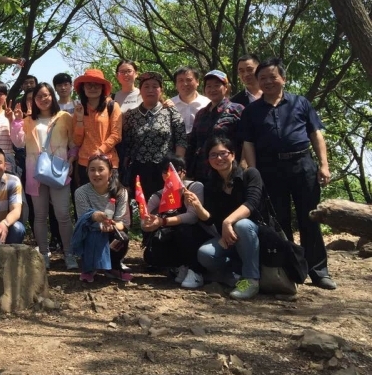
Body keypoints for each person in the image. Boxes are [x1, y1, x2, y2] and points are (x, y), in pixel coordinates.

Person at [240, 57, 336, 290]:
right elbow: (248, 143)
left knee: (310, 217)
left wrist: (324, 165)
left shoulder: (300, 103)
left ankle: (318, 272)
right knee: (279, 221)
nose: (268, 81)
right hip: (270, 169)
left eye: (272, 77)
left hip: (302, 164)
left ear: (283, 78)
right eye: (262, 78)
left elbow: (315, 134)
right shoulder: (251, 111)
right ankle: (291, 270)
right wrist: (254, 172)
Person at [186, 137, 263, 300]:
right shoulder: (211, 184)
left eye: (223, 153)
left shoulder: (250, 174)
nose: (219, 158)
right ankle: (237, 279)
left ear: (233, 155)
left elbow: (251, 204)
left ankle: (251, 280)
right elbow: (210, 219)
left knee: (242, 225)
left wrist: (228, 222)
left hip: (253, 233)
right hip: (229, 237)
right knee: (205, 254)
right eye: (213, 155)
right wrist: (198, 206)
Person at [11, 83, 77, 269]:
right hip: (35, 171)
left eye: (46, 95)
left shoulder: (64, 117)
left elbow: (74, 143)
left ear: (52, 96)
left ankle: (69, 253)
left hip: (58, 169)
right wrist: (17, 122)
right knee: (40, 216)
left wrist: (71, 161)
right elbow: (18, 142)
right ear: (33, 100)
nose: (43, 99)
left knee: (63, 214)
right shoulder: (28, 120)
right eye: (38, 96)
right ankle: (43, 253)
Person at [140, 154, 213, 289]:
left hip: (197, 234)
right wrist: (148, 223)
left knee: (183, 229)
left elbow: (192, 217)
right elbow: (144, 222)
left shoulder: (194, 187)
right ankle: (179, 265)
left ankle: (195, 271)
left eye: (174, 171)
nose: (169, 175)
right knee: (151, 255)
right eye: (165, 171)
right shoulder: (158, 196)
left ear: (183, 172)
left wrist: (163, 221)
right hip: (172, 236)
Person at [122, 72, 187, 198]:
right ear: (140, 90)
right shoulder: (131, 115)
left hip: (165, 170)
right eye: (146, 86)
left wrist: (178, 167)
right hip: (138, 170)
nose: (150, 90)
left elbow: (181, 140)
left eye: (155, 86)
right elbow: (127, 146)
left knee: (165, 205)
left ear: (161, 90)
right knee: (141, 205)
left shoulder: (171, 112)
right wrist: (124, 175)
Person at [72, 155, 132, 282]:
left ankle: (113, 266)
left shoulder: (120, 192)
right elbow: (82, 219)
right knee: (92, 233)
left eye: (101, 169)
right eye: (92, 170)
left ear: (110, 173)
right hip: (90, 230)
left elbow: (123, 222)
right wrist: (96, 219)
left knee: (122, 238)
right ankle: (89, 268)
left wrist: (111, 226)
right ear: (87, 172)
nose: (96, 174)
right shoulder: (81, 192)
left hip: (112, 229)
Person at [185, 70, 244, 183]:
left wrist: (243, 164)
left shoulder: (237, 110)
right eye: (209, 86)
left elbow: (245, 141)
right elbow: (193, 143)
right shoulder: (201, 113)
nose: (212, 89)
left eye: (217, 85)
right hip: (202, 170)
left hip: (227, 170)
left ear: (226, 87)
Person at [71, 69, 122, 187]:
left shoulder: (112, 106)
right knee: (87, 198)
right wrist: (79, 119)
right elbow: (77, 141)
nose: (92, 88)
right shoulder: (79, 109)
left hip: (108, 162)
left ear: (102, 87)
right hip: (85, 163)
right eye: (89, 85)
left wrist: (99, 152)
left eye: (96, 85)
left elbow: (116, 135)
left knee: (109, 197)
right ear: (83, 87)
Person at [170, 66, 210, 134]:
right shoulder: (169, 105)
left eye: (189, 80)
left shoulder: (208, 104)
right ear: (176, 84)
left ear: (197, 82)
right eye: (181, 80)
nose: (185, 84)